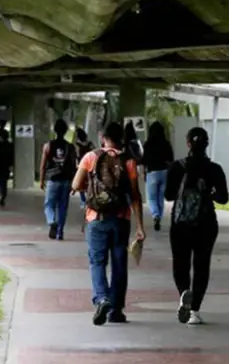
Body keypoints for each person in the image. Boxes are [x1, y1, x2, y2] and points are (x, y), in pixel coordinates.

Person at [72, 122, 145, 326]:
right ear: (121, 139)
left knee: (97, 262)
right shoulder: (128, 161)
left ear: (103, 138)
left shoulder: (91, 157)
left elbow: (76, 184)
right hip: (121, 219)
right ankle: (116, 310)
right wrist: (140, 227)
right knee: (119, 264)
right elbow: (135, 196)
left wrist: (90, 186)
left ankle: (102, 298)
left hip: (96, 218)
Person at [165, 127, 229, 325]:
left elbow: (168, 195)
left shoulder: (177, 167)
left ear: (188, 144)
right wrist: (208, 192)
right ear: (206, 144)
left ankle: (184, 293)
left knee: (180, 264)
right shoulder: (214, 169)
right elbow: (224, 198)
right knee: (202, 266)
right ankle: (195, 310)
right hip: (206, 224)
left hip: (180, 224)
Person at [39, 119, 77, 240]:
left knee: (49, 205)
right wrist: (74, 183)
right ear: (65, 131)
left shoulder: (48, 146)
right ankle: (60, 232)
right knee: (62, 207)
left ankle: (51, 222)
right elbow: (74, 166)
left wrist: (41, 180)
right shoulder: (70, 147)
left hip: (52, 179)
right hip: (66, 180)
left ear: (54, 130)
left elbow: (43, 165)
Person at [142, 121, 174, 231]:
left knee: (151, 198)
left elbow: (144, 160)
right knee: (160, 197)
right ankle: (159, 216)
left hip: (152, 173)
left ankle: (155, 215)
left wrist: (144, 173)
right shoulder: (166, 144)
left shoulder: (147, 144)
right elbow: (171, 159)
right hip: (164, 172)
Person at [73, 128, 95, 209]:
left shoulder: (77, 144)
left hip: (81, 165)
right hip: (90, 165)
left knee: (81, 183)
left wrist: (76, 164)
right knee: (90, 182)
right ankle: (89, 199)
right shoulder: (90, 143)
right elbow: (94, 151)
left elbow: (77, 155)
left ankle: (83, 201)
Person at [0, 128, 13, 207]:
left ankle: (1, 195)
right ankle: (3, 195)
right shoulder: (10, 145)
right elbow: (12, 157)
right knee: (4, 182)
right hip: (6, 166)